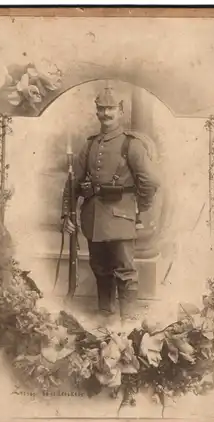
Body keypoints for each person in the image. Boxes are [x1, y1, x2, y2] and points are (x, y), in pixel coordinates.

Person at [61, 85, 159, 324]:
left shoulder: (131, 145)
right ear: (96, 111)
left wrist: (140, 207)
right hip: (93, 218)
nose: (105, 114)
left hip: (121, 217)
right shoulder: (91, 144)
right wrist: (67, 214)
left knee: (124, 270)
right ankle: (104, 313)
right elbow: (72, 182)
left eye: (110, 109)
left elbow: (150, 181)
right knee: (100, 268)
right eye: (101, 109)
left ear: (121, 110)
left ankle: (129, 320)